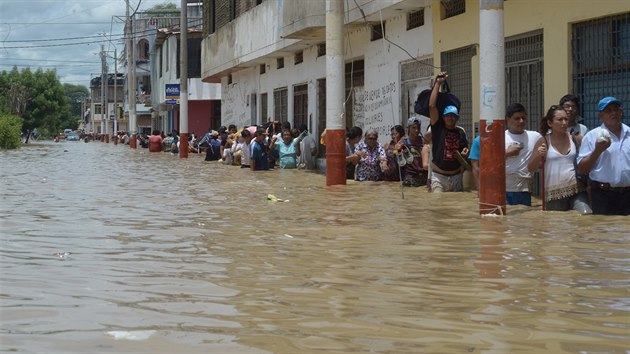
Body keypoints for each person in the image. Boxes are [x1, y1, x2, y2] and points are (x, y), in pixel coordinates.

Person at [530, 105, 591, 214]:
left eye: (566, 119)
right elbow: (531, 168)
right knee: (558, 226)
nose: (564, 123)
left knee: (586, 214)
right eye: (560, 119)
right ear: (550, 123)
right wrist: (538, 155)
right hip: (554, 196)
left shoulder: (576, 138)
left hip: (578, 190)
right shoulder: (543, 141)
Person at [577, 97, 630, 215]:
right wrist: (597, 151)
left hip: (628, 195)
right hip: (603, 196)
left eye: (616, 109)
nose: (613, 113)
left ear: (621, 112)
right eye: (608, 110)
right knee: (604, 230)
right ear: (601, 115)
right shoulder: (591, 137)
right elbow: (582, 169)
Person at [428, 72, 469, 192]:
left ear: (457, 118)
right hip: (439, 178)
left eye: (453, 116)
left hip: (456, 177)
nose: (450, 118)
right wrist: (438, 83)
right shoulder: (438, 129)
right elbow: (431, 106)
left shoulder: (461, 132)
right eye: (447, 116)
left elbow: (464, 153)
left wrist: (465, 153)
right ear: (443, 117)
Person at [503, 103, 543, 206]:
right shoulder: (500, 137)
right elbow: (489, 164)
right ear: (508, 119)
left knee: (524, 219)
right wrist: (507, 153)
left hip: (525, 190)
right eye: (517, 118)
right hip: (504, 190)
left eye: (523, 118)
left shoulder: (535, 137)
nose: (521, 121)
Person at [400, 117, 427, 187]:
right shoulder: (404, 141)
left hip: (424, 174)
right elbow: (396, 149)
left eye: (418, 127)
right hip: (410, 175)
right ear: (409, 128)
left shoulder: (423, 141)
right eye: (414, 128)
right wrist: (398, 149)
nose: (417, 130)